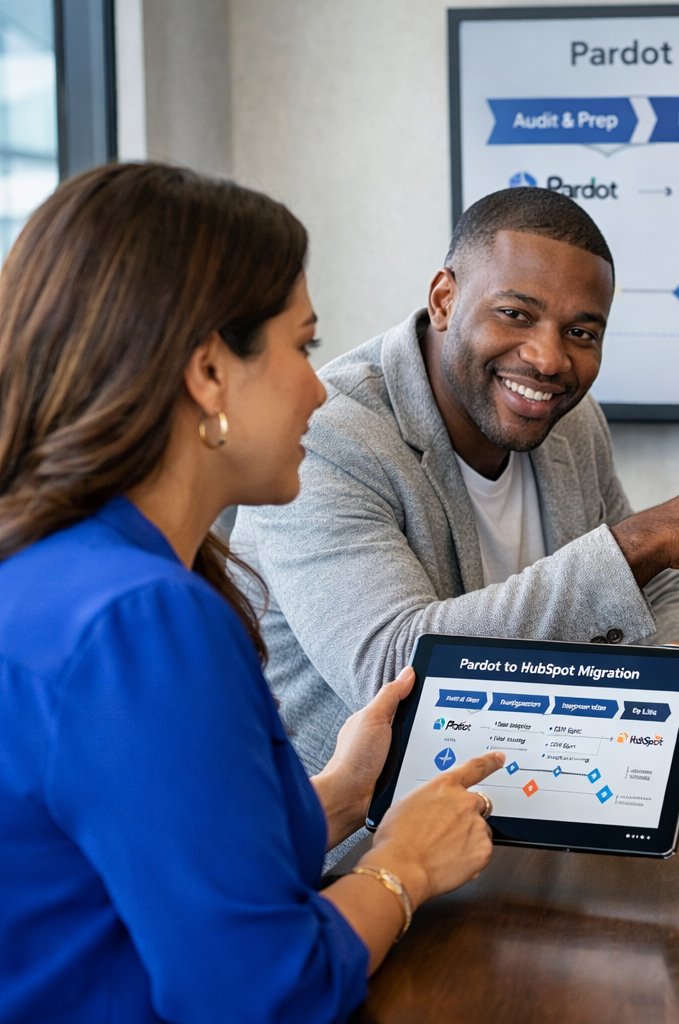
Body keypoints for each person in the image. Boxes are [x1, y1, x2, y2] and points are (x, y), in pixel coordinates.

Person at [0, 163, 505, 1022]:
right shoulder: (144, 621)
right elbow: (264, 990)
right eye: (301, 345)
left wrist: (345, 788)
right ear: (208, 371)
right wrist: (404, 867)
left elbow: (170, 851)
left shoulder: (63, 571)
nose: (318, 385)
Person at [231, 188, 679, 787]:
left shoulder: (569, 420)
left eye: (582, 332)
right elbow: (397, 669)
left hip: (541, 792)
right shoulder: (330, 434)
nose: (550, 359)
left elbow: (651, 583)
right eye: (515, 314)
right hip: (352, 841)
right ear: (445, 299)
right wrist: (650, 536)